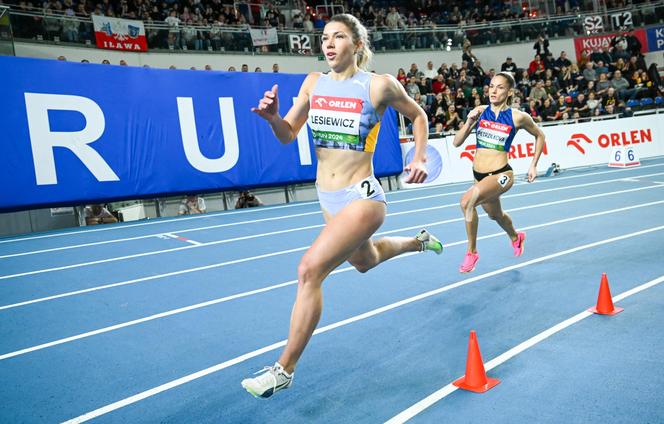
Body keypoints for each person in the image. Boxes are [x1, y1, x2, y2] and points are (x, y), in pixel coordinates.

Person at [241, 13, 443, 399]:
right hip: (327, 198)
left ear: (358, 45)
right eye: (324, 38)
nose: (328, 44)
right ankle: (418, 241)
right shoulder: (313, 84)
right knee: (365, 262)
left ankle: (283, 369)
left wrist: (418, 157)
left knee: (309, 270)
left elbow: (418, 116)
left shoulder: (379, 86)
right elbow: (287, 134)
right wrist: (271, 118)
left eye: (338, 37)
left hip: (363, 197)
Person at [452, 72, 545, 273]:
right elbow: (457, 142)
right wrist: (469, 122)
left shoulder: (517, 117)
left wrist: (533, 164)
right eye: (491, 86)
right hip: (479, 177)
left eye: (500, 87)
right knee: (496, 215)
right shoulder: (479, 112)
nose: (493, 91)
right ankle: (515, 236)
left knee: (466, 202)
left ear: (509, 92)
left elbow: (540, 135)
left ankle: (472, 252)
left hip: (502, 174)